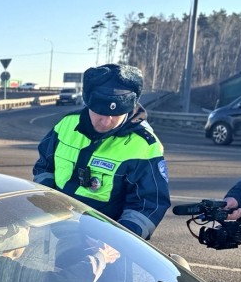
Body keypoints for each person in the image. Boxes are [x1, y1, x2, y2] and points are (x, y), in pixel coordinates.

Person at [32, 63, 170, 240]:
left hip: (107, 243)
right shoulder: (66, 125)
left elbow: (148, 205)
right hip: (58, 229)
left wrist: (120, 241)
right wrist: (50, 202)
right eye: (100, 113)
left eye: (116, 114)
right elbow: (44, 167)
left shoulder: (145, 146)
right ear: (88, 103)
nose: (106, 121)